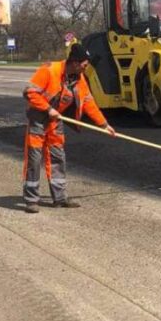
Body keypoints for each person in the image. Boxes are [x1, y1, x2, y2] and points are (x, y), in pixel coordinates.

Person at [22, 43, 115, 213]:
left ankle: (59, 198)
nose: (86, 69)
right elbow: (29, 92)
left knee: (58, 157)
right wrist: (48, 109)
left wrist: (104, 125)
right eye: (85, 65)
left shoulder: (79, 79)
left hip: (55, 121)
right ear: (75, 63)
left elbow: (88, 102)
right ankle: (31, 200)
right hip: (38, 119)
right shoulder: (49, 70)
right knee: (34, 159)